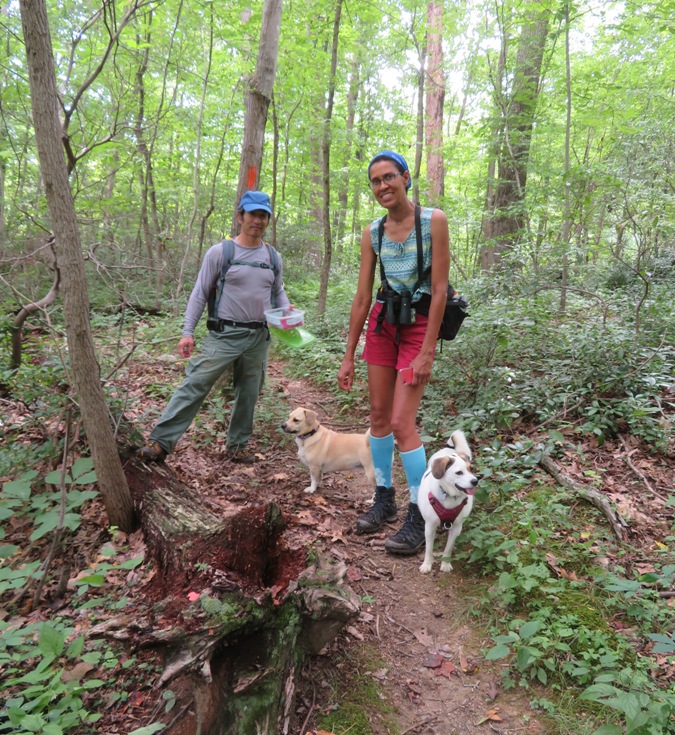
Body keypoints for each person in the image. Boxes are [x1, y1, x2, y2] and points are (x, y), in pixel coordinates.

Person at [337, 151, 450, 554]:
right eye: (374, 181)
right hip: (384, 324)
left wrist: (427, 352)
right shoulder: (373, 232)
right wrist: (349, 353)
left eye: (389, 177)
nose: (382, 186)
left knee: (403, 423)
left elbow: (439, 290)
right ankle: (384, 498)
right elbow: (363, 294)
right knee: (379, 417)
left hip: (418, 324)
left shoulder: (432, 220)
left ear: (405, 177)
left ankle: (422, 513)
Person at [138, 190, 290, 465]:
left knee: (249, 392)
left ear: (268, 219)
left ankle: (237, 446)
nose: (258, 220)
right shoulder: (221, 252)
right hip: (224, 335)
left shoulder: (272, 256)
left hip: (259, 336)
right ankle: (160, 442)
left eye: (263, 216)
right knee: (195, 384)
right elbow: (199, 293)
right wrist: (187, 332)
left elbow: (278, 291)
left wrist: (287, 312)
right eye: (253, 214)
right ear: (241, 216)